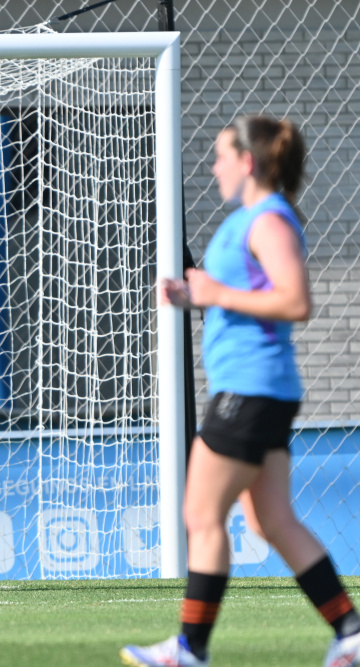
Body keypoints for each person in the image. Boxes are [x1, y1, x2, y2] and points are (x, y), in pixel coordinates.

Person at [121, 115, 360, 667]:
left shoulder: (270, 219)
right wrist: (195, 294)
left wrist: (215, 290)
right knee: (269, 520)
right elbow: (242, 295)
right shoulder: (252, 219)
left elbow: (295, 301)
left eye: (221, 155)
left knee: (202, 515)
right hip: (259, 389)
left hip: (249, 390)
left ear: (247, 163)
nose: (214, 166)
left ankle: (189, 650)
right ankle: (348, 629)